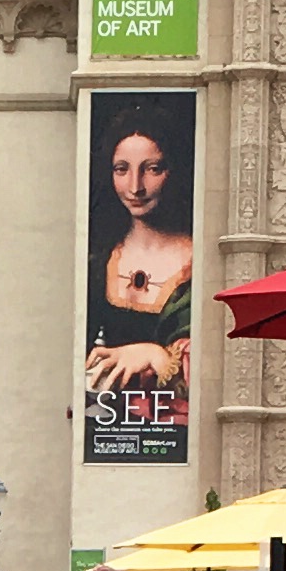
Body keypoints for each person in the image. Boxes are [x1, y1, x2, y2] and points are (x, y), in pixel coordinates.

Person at [82, 113, 193, 407]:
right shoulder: (99, 261)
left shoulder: (200, 264)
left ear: (174, 171)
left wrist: (156, 355)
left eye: (152, 169)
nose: (135, 187)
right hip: (105, 421)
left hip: (175, 429)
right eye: (121, 169)